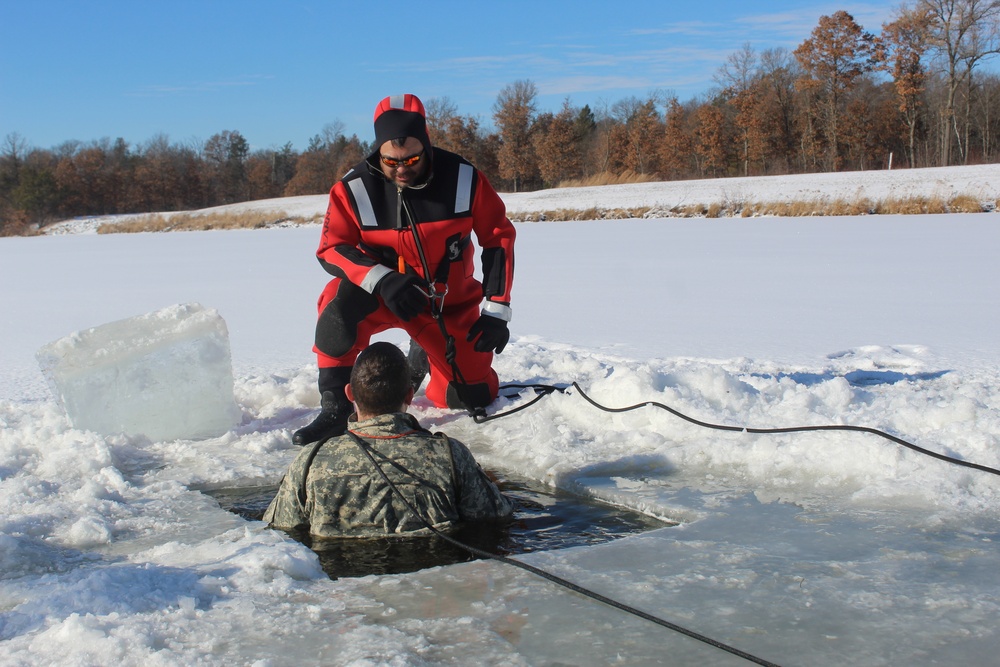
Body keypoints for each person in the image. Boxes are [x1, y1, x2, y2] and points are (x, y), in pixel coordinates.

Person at [293, 93, 516, 446]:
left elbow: (498, 237)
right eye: (390, 160)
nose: (400, 168)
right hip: (383, 299)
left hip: (448, 306)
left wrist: (496, 309)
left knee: (467, 398)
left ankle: (425, 351)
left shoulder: (463, 178)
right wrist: (381, 280)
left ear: (426, 146)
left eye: (411, 158)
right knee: (337, 303)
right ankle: (335, 407)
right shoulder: (353, 189)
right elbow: (331, 249)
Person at [265, 342, 515, 537]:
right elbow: (496, 517)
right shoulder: (450, 457)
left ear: (350, 393)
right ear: (409, 394)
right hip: (432, 589)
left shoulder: (310, 462)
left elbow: (279, 527)